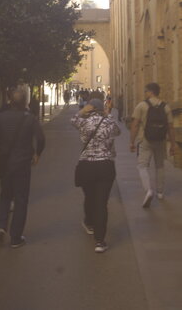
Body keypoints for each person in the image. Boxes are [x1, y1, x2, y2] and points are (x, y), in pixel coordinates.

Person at [0, 87, 46, 248]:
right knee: (20, 199)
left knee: (5, 195)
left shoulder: (0, 117)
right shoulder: (30, 118)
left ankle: (1, 226)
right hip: (22, 163)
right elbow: (40, 139)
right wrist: (37, 154)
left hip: (5, 163)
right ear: (25, 102)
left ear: (10, 101)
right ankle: (16, 237)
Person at [71, 98, 120, 253]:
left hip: (87, 166)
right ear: (101, 109)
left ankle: (89, 223)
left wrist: (82, 111)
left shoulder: (84, 122)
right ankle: (100, 241)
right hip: (105, 165)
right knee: (101, 203)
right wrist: (108, 113)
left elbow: (73, 120)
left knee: (89, 196)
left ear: (90, 108)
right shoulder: (109, 122)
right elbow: (118, 131)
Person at [129, 83, 175, 207]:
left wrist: (132, 142)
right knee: (160, 165)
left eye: (146, 91)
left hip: (145, 140)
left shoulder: (142, 105)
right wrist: (173, 144)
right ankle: (160, 193)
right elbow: (170, 127)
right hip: (161, 140)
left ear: (150, 92)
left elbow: (135, 125)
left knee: (142, 166)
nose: (145, 93)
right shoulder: (166, 107)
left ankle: (148, 190)